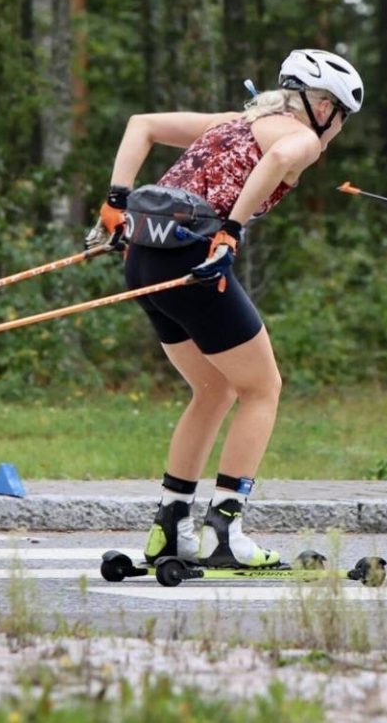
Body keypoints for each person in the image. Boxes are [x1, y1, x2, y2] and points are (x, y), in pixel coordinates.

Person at [86, 49, 363, 568]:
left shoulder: (232, 121)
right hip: (194, 264)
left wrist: (116, 202)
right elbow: (280, 160)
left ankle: (170, 529)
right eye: (341, 115)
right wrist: (231, 232)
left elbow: (140, 125)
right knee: (263, 388)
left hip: (144, 259)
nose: (337, 129)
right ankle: (224, 532)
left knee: (214, 389)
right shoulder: (300, 138)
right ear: (320, 106)